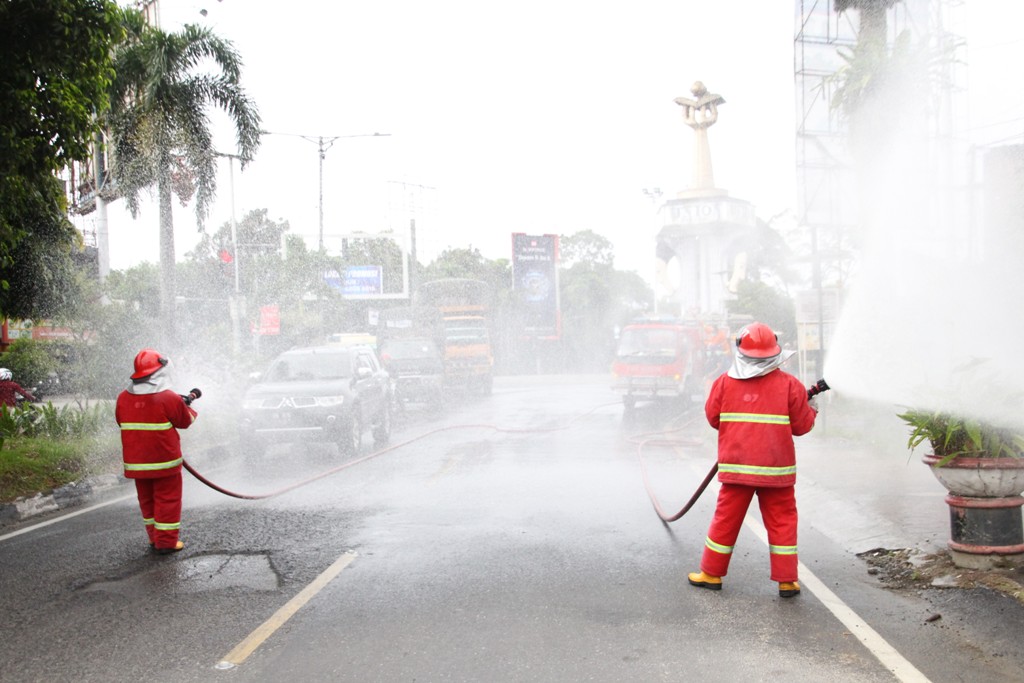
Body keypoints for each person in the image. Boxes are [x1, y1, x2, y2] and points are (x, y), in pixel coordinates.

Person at [688, 322, 818, 598]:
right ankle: (787, 581)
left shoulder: (724, 382)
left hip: (737, 469)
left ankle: (711, 574)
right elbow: (802, 426)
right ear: (775, 351)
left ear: (740, 351)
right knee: (783, 521)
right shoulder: (790, 385)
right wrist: (812, 408)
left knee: (726, 519)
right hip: (777, 472)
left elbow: (713, 419)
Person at [114, 348, 197, 555]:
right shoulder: (168, 397)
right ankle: (167, 542)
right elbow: (184, 421)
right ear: (160, 371)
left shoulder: (123, 397)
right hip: (164, 463)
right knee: (167, 500)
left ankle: (154, 538)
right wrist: (188, 407)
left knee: (147, 500)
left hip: (136, 463)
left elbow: (121, 421)